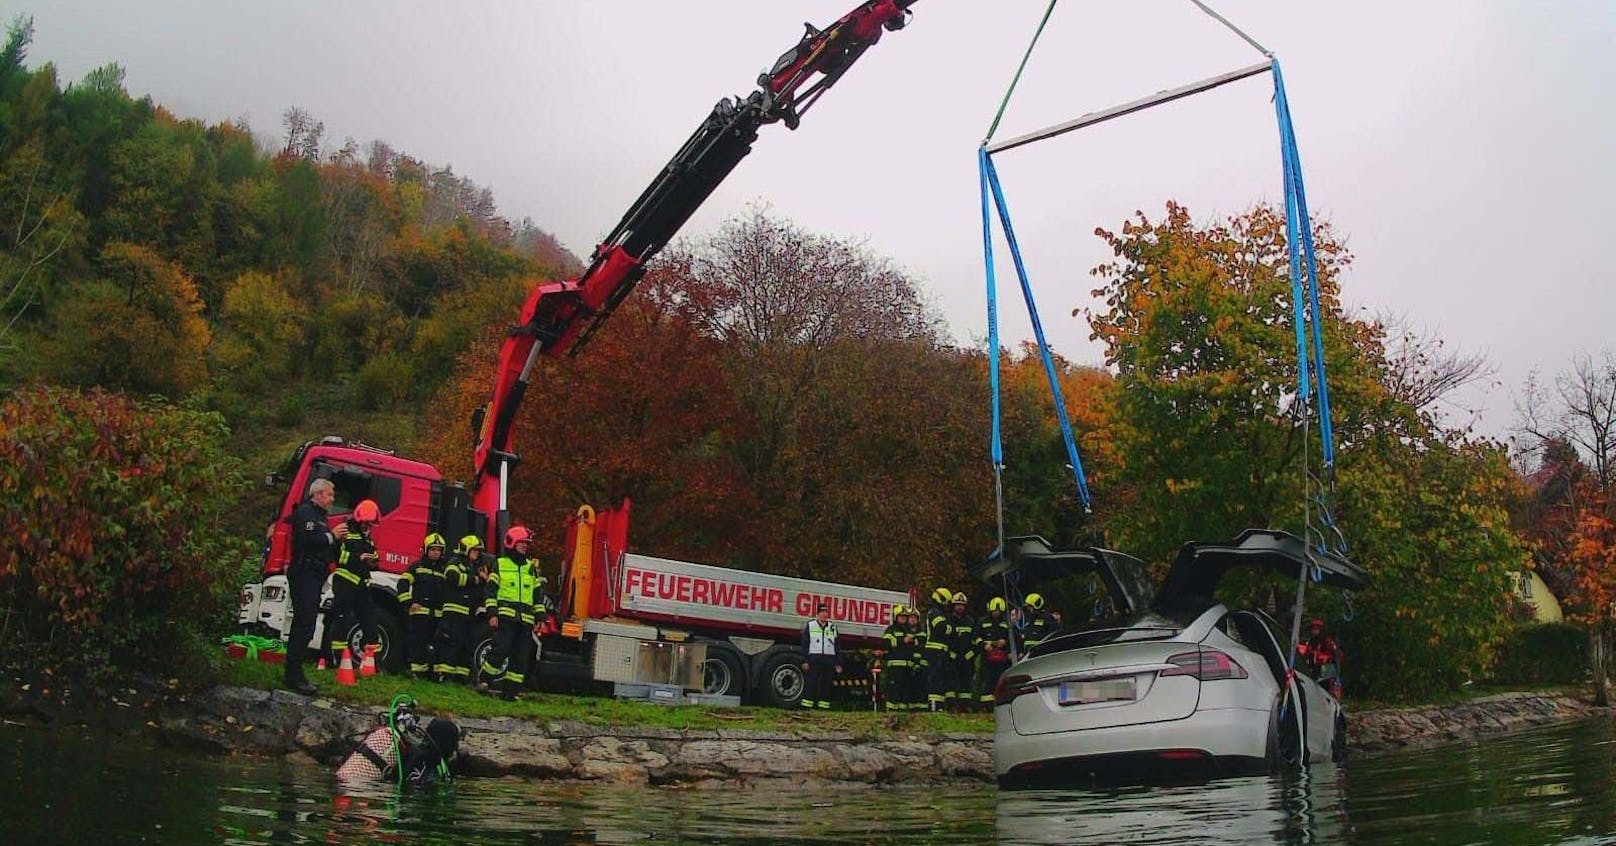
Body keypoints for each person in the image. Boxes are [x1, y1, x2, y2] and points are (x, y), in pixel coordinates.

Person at [283, 478, 341, 695]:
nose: (332, 499)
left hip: (315, 574)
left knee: (306, 623)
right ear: (317, 494)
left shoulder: (321, 517)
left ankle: (295, 672)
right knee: (304, 623)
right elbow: (309, 539)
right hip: (304, 572)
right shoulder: (306, 513)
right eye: (329, 495)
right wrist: (332, 536)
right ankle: (293, 674)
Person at [479, 526, 544, 700]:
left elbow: (537, 595)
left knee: (520, 657)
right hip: (506, 617)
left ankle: (510, 692)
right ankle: (484, 680)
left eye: (527, 543)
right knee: (500, 650)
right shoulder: (500, 564)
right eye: (522, 543)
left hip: (526, 620)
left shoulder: (531, 567)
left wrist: (540, 616)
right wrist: (492, 614)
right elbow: (490, 592)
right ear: (512, 543)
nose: (525, 546)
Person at [325, 499, 382, 669]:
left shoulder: (367, 537)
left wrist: (373, 561)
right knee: (342, 620)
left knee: (370, 621)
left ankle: (371, 663)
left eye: (371, 523)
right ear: (359, 519)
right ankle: (335, 660)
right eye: (366, 523)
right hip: (345, 582)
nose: (368, 526)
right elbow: (336, 557)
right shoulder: (345, 532)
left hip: (362, 584)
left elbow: (374, 557)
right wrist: (359, 558)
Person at [431, 534, 485, 683]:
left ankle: (461, 676)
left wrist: (481, 580)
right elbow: (452, 577)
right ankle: (443, 674)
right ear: (466, 549)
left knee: (465, 644)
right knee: (449, 643)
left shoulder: (474, 567)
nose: (477, 553)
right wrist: (473, 579)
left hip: (467, 614)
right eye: (474, 550)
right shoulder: (455, 562)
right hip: (453, 612)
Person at [398, 533, 447, 678]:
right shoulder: (417, 566)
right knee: (417, 643)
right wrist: (409, 603)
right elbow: (403, 583)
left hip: (437, 615)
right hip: (420, 614)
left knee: (437, 645)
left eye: (438, 550)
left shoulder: (444, 569)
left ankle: (433, 674)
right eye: (432, 549)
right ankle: (416, 672)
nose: (435, 552)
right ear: (426, 550)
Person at [800, 603, 841, 709]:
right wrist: (804, 660)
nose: (824, 615)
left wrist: (837, 663)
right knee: (811, 683)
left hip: (828, 660)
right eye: (822, 612)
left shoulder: (832, 627)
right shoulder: (811, 625)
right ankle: (807, 706)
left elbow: (837, 646)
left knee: (826, 685)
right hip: (814, 659)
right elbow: (805, 644)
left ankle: (823, 707)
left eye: (826, 612)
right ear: (817, 614)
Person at [881, 604, 921, 711]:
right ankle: (891, 711)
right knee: (894, 690)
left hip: (908, 666)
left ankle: (903, 713)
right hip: (895, 666)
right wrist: (902, 641)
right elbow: (886, 643)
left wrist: (913, 642)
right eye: (901, 616)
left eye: (905, 617)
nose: (903, 618)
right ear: (895, 617)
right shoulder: (891, 629)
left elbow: (916, 646)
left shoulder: (909, 631)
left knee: (905, 690)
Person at [977, 596, 1013, 709]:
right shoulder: (982, 622)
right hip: (987, 657)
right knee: (987, 681)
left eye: (998, 611)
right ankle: (986, 706)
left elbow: (1014, 639)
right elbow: (975, 638)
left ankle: (1001, 705)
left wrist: (1005, 643)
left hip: (1002, 659)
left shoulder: (1006, 624)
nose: (996, 613)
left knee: (1001, 681)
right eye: (994, 611)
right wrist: (983, 645)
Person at [924, 587, 954, 711]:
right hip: (935, 650)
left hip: (941, 650)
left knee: (942, 678)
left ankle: (940, 705)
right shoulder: (934, 612)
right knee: (935, 678)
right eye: (946, 602)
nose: (947, 605)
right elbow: (941, 628)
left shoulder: (940, 613)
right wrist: (951, 629)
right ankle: (934, 705)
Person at [1301, 618, 1344, 699]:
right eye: (1313, 629)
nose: (1313, 631)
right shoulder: (1312, 641)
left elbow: (1334, 655)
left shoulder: (1327, 641)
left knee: (1326, 691)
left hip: (1326, 671)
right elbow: (1308, 653)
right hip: (1315, 670)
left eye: (1315, 629)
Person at [947, 591, 976, 711]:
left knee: (966, 682)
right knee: (951, 681)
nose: (960, 607)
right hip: (952, 657)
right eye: (957, 604)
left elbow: (975, 640)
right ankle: (951, 705)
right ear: (953, 606)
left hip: (967, 658)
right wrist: (951, 654)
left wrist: (970, 655)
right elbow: (945, 638)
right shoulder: (948, 620)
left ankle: (965, 705)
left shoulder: (970, 621)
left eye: (962, 605)